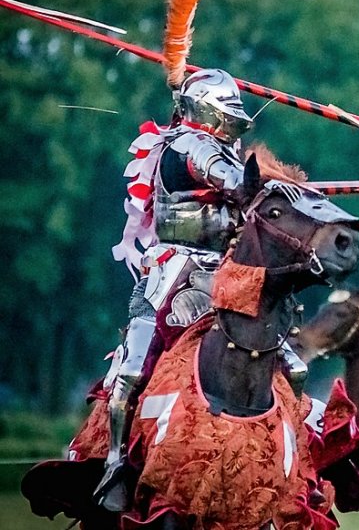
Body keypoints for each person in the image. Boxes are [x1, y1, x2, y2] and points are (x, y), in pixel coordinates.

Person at [96, 69, 310, 510]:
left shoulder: (227, 151)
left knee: (292, 365)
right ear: (207, 109)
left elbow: (249, 193)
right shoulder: (189, 145)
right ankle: (115, 463)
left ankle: (294, 458)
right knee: (135, 366)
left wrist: (294, 198)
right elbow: (238, 187)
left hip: (228, 269)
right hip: (175, 266)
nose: (233, 122)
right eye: (227, 112)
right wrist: (276, 190)